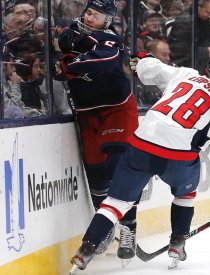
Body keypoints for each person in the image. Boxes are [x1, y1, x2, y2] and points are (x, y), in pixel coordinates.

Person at [70, 57, 210, 271]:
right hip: (179, 157)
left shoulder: (188, 75)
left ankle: (87, 248)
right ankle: (177, 243)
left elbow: (153, 68)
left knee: (116, 202)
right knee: (186, 193)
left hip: (141, 144)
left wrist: (141, 62)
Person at [57, 0, 139, 265]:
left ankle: (129, 227)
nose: (90, 18)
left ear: (108, 21)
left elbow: (104, 59)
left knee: (118, 167)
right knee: (96, 175)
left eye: (97, 15)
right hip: (87, 111)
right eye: (89, 12)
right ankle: (105, 228)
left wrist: (70, 64)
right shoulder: (72, 33)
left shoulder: (109, 38)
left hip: (116, 109)